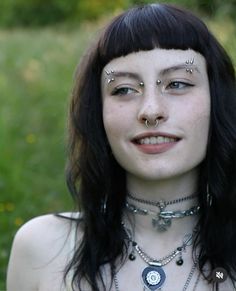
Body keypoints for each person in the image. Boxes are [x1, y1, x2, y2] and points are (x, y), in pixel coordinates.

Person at [7, 3, 236, 291]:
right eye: (124, 89)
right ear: (98, 113)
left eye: (177, 83)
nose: (151, 111)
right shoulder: (41, 249)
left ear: (218, 101)